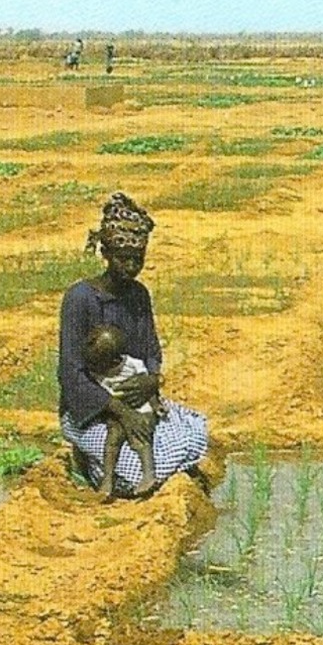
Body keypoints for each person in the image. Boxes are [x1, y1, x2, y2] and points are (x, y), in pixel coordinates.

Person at [58, 193, 210, 497]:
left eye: (137, 260)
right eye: (122, 259)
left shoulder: (139, 295)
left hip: (136, 397)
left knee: (195, 435)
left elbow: (151, 350)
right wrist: (118, 410)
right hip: (93, 407)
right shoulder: (80, 298)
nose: (130, 267)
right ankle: (91, 461)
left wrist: (152, 380)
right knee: (130, 472)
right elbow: (70, 373)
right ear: (105, 253)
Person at [82, 323, 160, 500]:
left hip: (139, 407)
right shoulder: (97, 372)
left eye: (99, 365)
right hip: (117, 413)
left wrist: (155, 405)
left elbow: (147, 388)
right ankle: (107, 480)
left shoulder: (133, 365)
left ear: (114, 360)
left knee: (139, 437)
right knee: (112, 440)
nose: (96, 369)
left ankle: (149, 474)